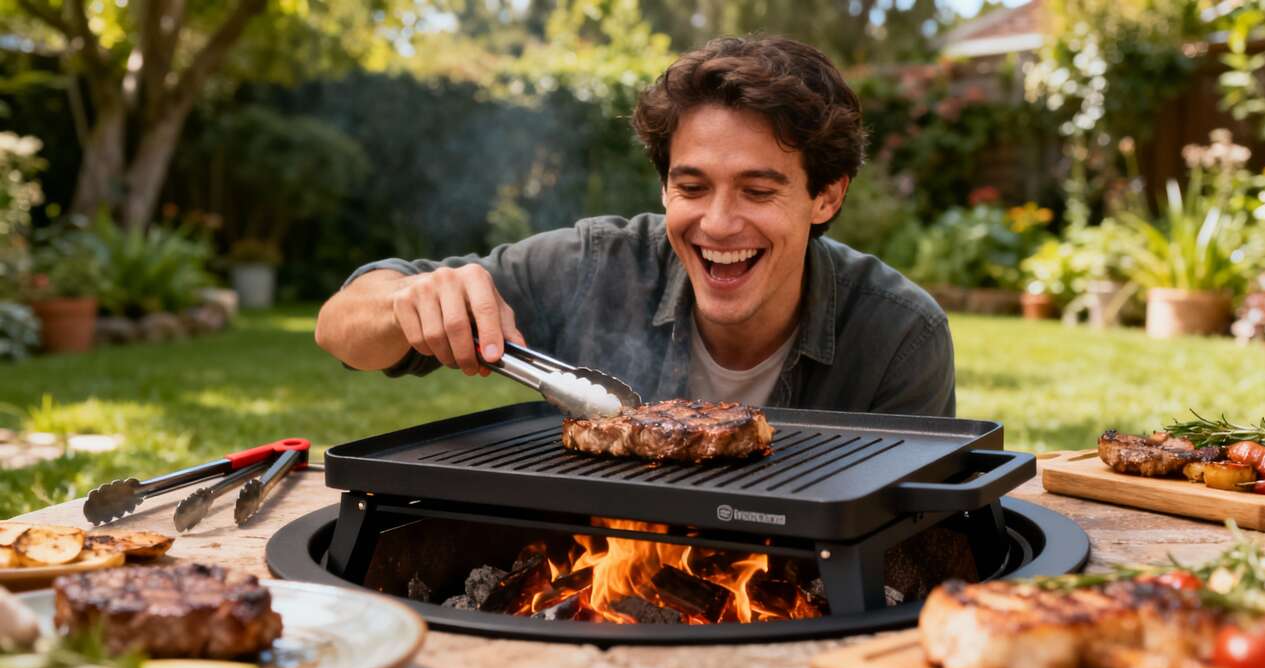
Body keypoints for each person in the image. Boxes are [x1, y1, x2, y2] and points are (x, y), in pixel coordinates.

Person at [316, 35, 955, 416]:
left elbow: (912, 548)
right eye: (691, 186)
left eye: (758, 190)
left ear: (827, 196)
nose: (719, 222)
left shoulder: (899, 335)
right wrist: (407, 305)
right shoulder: (595, 267)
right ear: (663, 186)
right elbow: (337, 327)